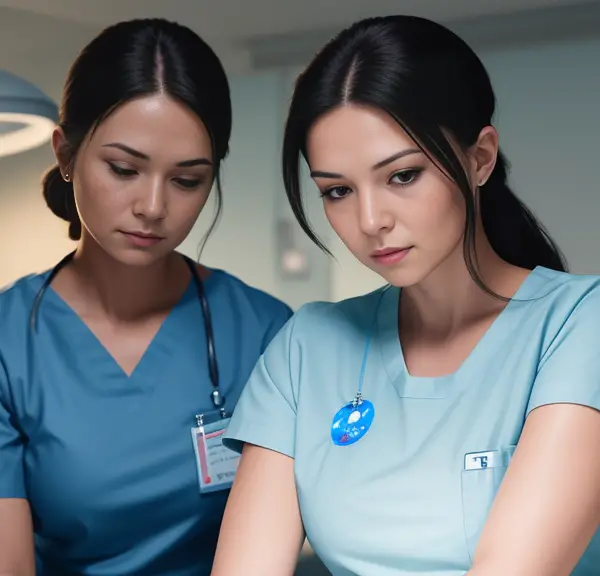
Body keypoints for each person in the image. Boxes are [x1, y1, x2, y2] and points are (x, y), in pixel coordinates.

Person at [212, 15, 600, 576]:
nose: (370, 220)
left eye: (402, 176)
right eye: (338, 191)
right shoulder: (307, 348)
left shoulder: (579, 325)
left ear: (480, 158)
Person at [0, 18, 292, 576]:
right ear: (65, 155)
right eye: (124, 169)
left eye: (187, 180)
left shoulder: (265, 334)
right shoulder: (9, 342)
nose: (153, 207)